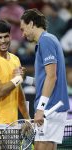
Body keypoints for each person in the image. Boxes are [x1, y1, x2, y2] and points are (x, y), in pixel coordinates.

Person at [20, 8, 69, 150]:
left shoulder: (46, 41)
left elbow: (52, 77)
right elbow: (44, 80)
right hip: (51, 108)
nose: (22, 34)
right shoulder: (48, 40)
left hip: (51, 108)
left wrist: (40, 109)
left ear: (31, 24)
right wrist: (24, 79)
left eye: (23, 29)